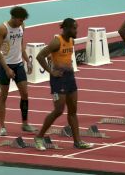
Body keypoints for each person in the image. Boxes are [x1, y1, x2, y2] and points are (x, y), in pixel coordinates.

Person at [34, 18, 93, 150]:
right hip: (58, 80)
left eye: (76, 28)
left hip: (70, 78)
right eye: (74, 28)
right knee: (59, 110)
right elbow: (40, 56)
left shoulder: (71, 40)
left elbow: (61, 57)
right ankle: (39, 137)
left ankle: (77, 141)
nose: (76, 30)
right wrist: (51, 71)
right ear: (66, 28)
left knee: (73, 111)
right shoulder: (57, 41)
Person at [0, 6, 37, 136]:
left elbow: (21, 46)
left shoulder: (22, 26)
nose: (22, 22)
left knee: (25, 94)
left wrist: (28, 61)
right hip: (5, 65)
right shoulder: (2, 28)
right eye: (21, 20)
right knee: (4, 96)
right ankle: (2, 126)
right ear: (15, 18)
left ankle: (25, 123)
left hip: (18, 65)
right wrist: (6, 69)